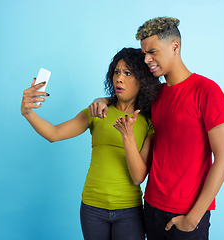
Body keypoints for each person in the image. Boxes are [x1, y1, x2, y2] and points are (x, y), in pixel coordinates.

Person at [89, 17, 224, 240]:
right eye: (145, 53)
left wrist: (193, 218)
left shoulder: (207, 91)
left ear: (175, 46)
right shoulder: (156, 96)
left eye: (152, 52)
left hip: (187, 213)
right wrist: (101, 100)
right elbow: (125, 99)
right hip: (151, 208)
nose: (146, 59)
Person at [20, 47, 160, 240]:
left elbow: (138, 178)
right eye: (117, 72)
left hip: (129, 211)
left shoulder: (148, 122)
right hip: (92, 209)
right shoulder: (97, 111)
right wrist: (28, 113)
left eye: (128, 73)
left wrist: (127, 136)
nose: (119, 78)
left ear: (142, 80)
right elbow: (54, 133)